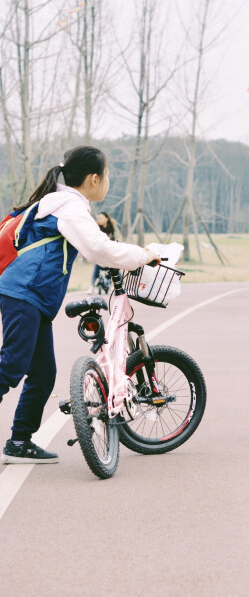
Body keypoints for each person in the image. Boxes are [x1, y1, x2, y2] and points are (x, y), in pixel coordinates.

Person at [0, 145, 160, 464]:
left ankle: (20, 441)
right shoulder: (69, 207)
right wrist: (143, 256)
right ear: (93, 178)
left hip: (32, 296)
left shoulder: (60, 203)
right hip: (24, 292)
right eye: (108, 176)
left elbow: (95, 248)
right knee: (12, 365)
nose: (108, 181)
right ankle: (20, 439)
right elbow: (97, 249)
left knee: (44, 373)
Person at [88, 212, 122, 293]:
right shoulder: (96, 228)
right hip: (100, 251)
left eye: (101, 218)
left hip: (111, 251)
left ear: (107, 218)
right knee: (96, 268)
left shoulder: (113, 227)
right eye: (98, 218)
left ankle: (122, 285)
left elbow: (118, 237)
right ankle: (91, 287)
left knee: (115, 267)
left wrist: (117, 243)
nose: (99, 220)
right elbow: (93, 238)